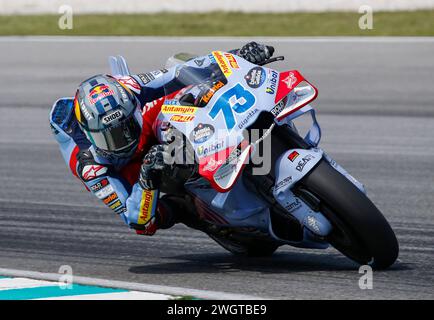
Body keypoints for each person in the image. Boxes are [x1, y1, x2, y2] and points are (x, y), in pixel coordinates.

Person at [50, 42, 274, 236]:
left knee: (184, 82)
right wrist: (147, 178)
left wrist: (237, 56)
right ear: (91, 136)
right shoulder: (90, 167)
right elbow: (136, 220)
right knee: (151, 220)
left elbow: (180, 71)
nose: (124, 139)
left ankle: (233, 141)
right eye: (111, 138)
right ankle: (196, 209)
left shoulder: (131, 88)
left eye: (126, 127)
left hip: (149, 126)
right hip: (129, 169)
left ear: (133, 109)